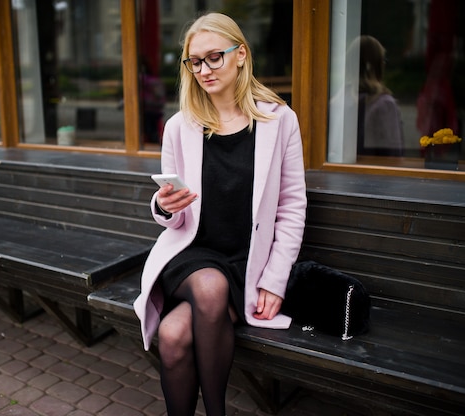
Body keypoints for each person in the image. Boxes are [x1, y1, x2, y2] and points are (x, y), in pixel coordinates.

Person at [133, 12, 307, 416]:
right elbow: (172, 213)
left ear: (241, 54)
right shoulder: (180, 127)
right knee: (209, 288)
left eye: (214, 57)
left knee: (175, 335)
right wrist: (163, 206)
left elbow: (292, 206)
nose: (204, 70)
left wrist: (275, 280)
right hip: (193, 258)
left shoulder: (280, 121)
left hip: (246, 262)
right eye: (194, 62)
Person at [353, 35, 405, 156]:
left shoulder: (337, 101)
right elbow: (394, 156)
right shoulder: (384, 105)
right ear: (376, 66)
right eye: (383, 61)